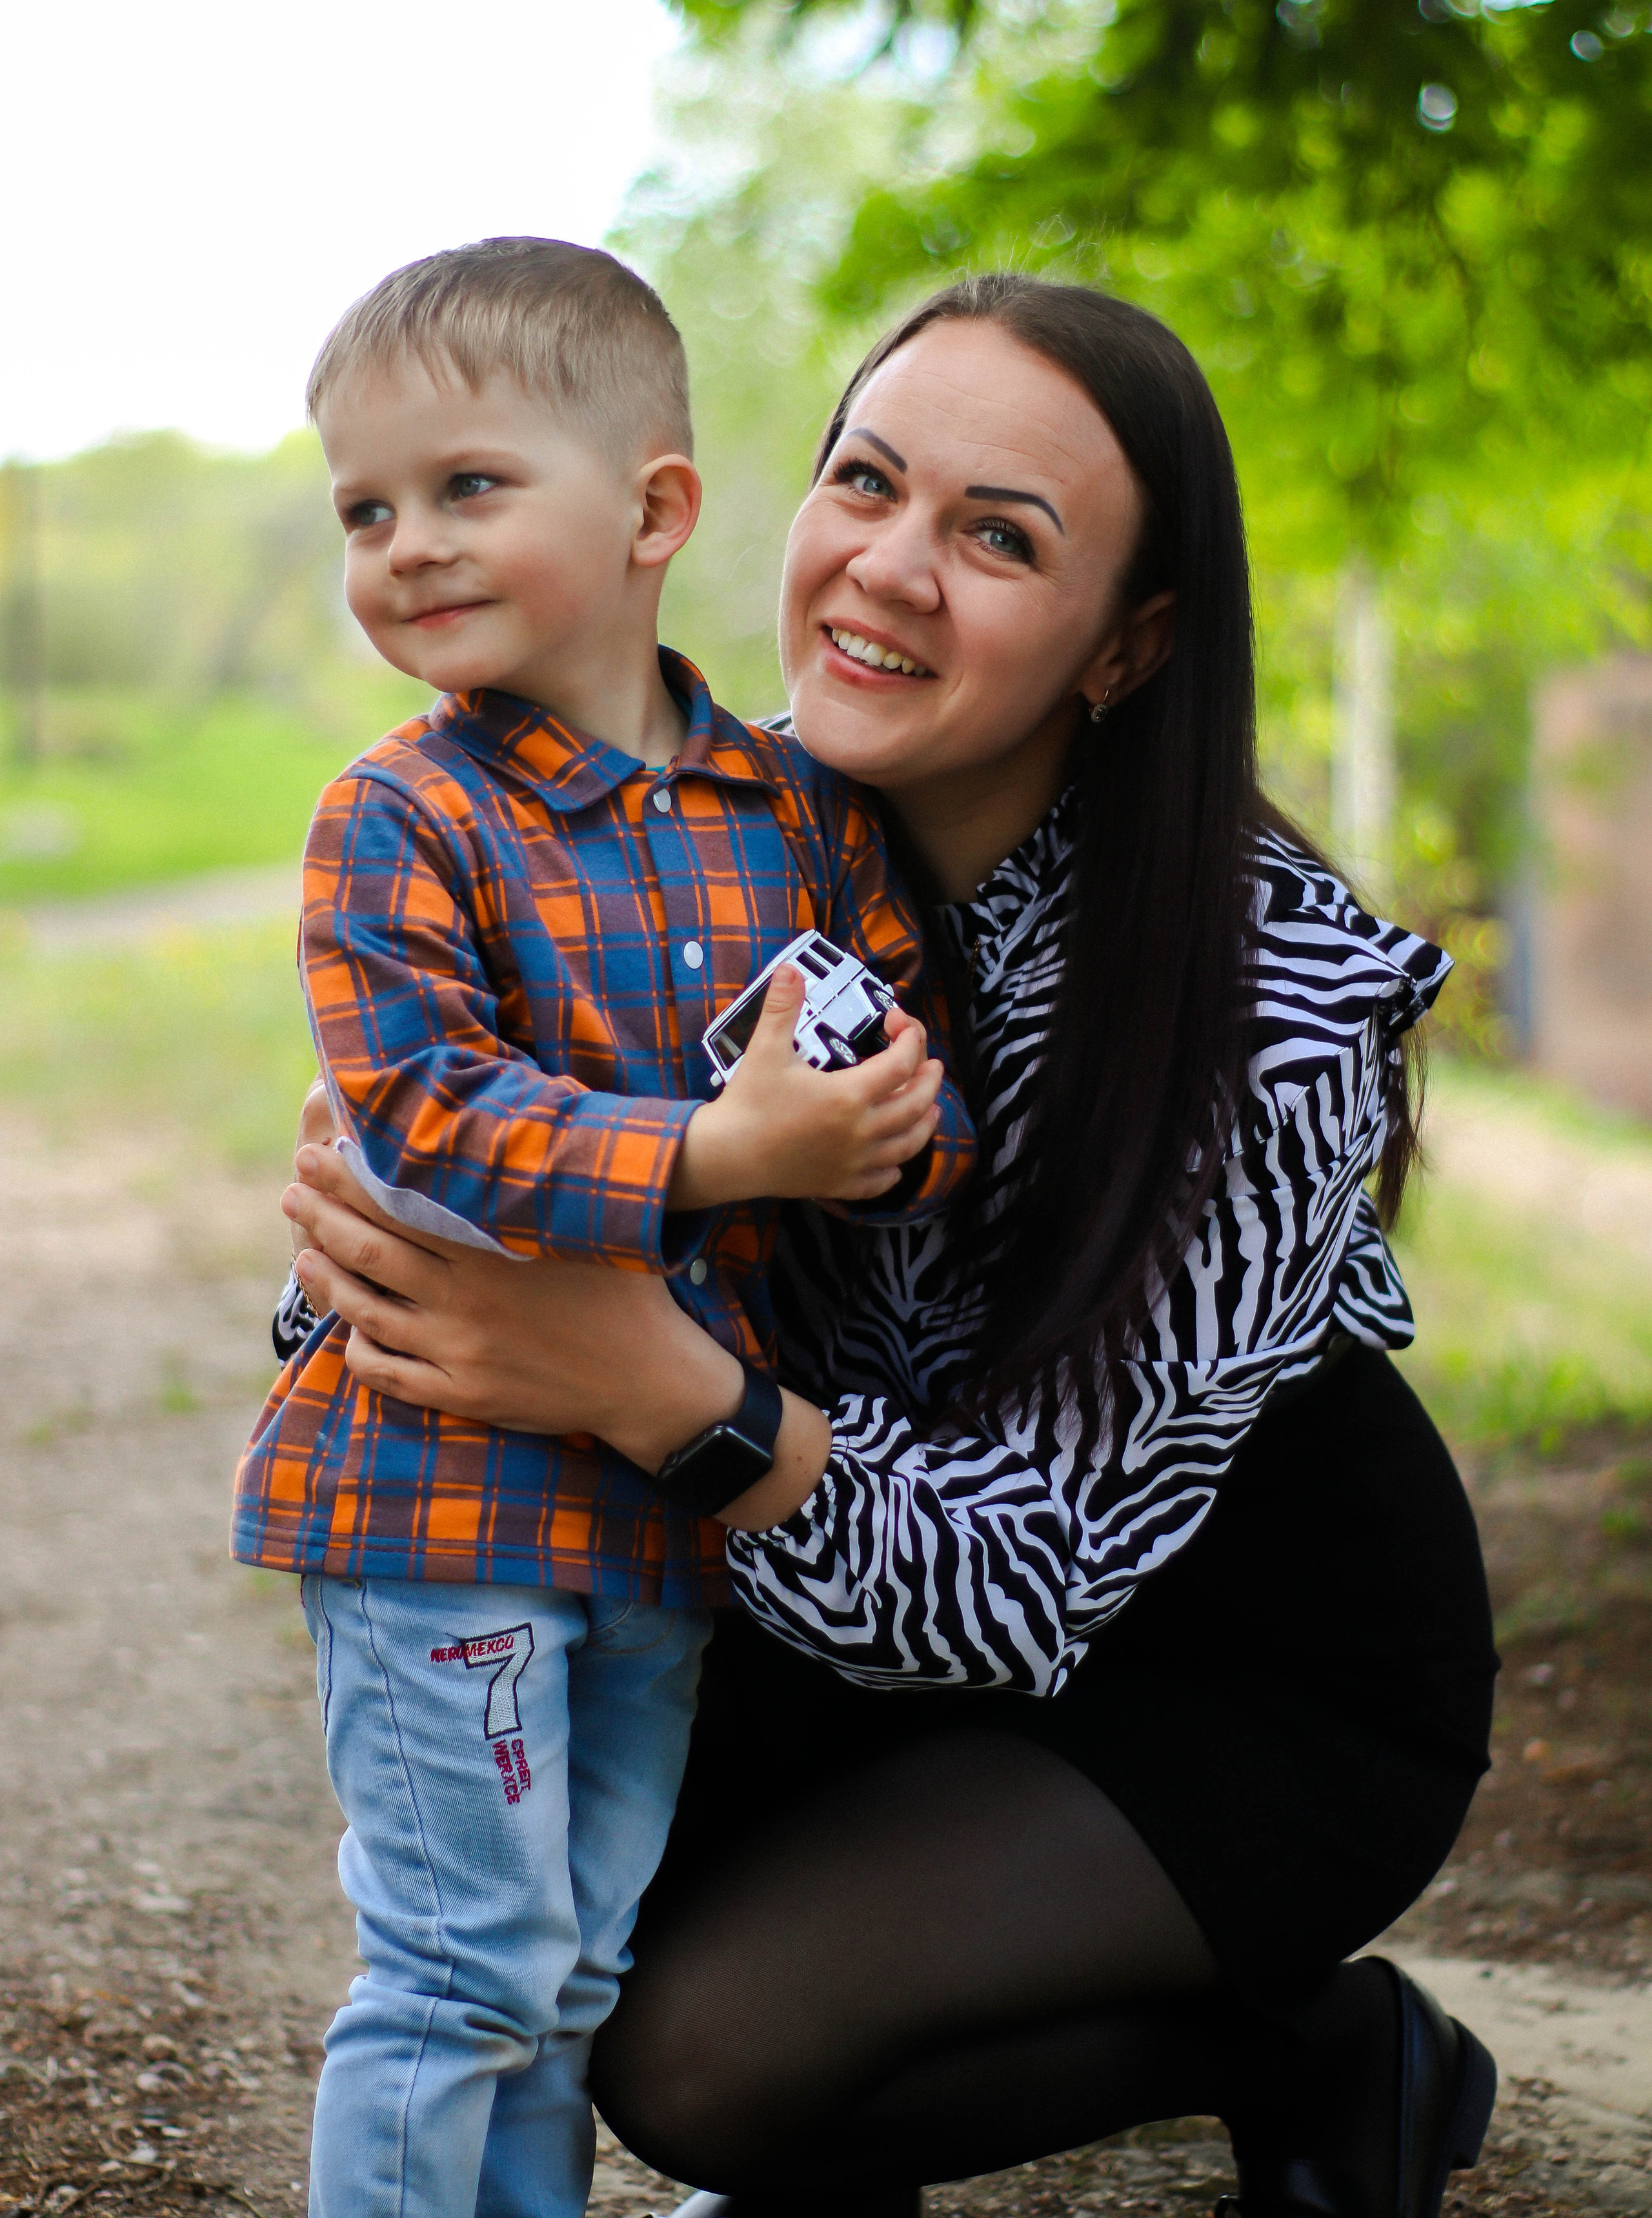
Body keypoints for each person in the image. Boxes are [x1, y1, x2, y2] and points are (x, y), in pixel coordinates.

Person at [279, 275, 1501, 2218]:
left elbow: (1023, 1588)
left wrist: (654, 1386)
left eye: (1000, 538)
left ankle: (1320, 2047)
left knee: (703, 2061)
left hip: (1213, 1653)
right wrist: (410, 1272)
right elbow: (455, 1154)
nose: (892, 569)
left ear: (1130, 643)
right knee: (544, 1922)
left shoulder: (1269, 1000)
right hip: (815, 1563)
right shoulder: (690, 816)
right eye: (867, 482)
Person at [237, 236, 973, 2218]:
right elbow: (428, 1117)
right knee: (461, 1969)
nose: (406, 545)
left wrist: (886, 1136)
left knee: (569, 1982)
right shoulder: (398, 818)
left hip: (659, 1515)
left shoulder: (799, 817)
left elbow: (903, 1078)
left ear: (654, 513)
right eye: (365, 511)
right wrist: (724, 1154)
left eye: (467, 486)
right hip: (442, 1499)